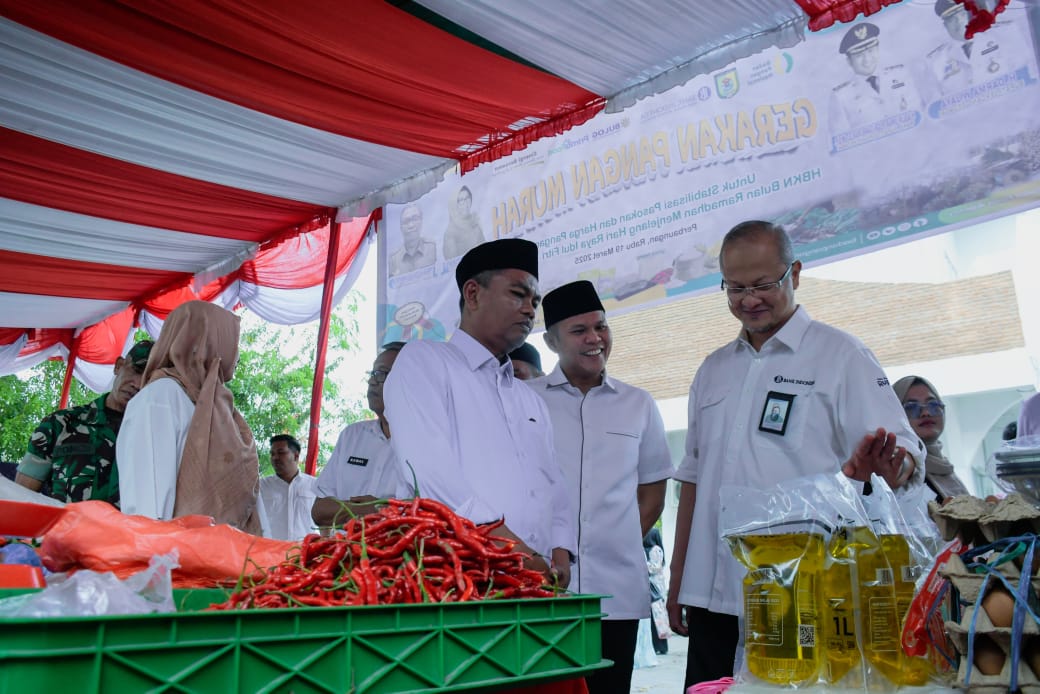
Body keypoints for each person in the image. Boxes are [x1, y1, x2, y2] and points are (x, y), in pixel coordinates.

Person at [667, 220, 926, 688]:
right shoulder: (712, 370)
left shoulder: (841, 355)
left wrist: (894, 467)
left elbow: (904, 450)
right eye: (735, 288)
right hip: (713, 593)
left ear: (796, 274)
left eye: (764, 284)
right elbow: (693, 479)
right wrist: (678, 578)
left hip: (801, 594)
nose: (749, 300)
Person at [383, 238, 575, 587]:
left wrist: (560, 549)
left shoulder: (529, 399)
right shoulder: (424, 362)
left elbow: (553, 485)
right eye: (518, 294)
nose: (530, 310)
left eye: (535, 301)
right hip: (455, 582)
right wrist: (514, 552)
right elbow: (431, 479)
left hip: (537, 584)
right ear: (472, 294)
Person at [527, 279, 671, 694]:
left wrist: (615, 538)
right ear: (552, 341)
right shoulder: (526, 400)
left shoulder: (638, 404)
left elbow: (653, 492)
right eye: (579, 331)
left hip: (616, 591)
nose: (595, 339)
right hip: (542, 590)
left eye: (601, 327)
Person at [116, 301, 261, 533]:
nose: (236, 353)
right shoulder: (160, 398)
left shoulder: (219, 409)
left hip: (227, 560)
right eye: (230, 340)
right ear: (205, 342)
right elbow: (147, 508)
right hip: (175, 560)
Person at [15, 339, 154, 506]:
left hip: (124, 532)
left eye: (149, 379)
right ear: (119, 366)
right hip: (64, 530)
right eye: (136, 370)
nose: (138, 384)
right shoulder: (61, 424)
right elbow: (22, 497)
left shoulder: (153, 437)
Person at [312, 342, 406, 531]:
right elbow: (319, 511)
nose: (372, 382)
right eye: (372, 374)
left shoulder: (431, 443)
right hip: (345, 556)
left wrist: (380, 509)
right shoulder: (351, 436)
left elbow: (433, 512)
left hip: (402, 557)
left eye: (381, 374)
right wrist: (366, 509)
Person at [829, 22, 922, 132]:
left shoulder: (901, 74)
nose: (867, 59)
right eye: (859, 55)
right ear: (849, 61)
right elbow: (840, 139)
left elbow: (919, 112)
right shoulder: (841, 96)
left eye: (870, 51)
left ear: (877, 50)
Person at [925, 0, 1029, 97]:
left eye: (962, 12)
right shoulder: (937, 61)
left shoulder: (1006, 36)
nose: (958, 20)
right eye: (950, 17)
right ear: (945, 25)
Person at [892, 375, 970, 502]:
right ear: (895, 415)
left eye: (933, 404)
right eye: (911, 408)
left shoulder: (943, 466)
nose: (926, 413)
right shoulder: (896, 467)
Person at [258, 435, 317, 540]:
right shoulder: (261, 486)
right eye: (272, 454)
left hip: (306, 550)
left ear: (296, 456)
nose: (275, 458)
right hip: (271, 551)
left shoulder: (315, 485)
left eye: (281, 452)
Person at [389, 203, 436, 276]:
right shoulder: (394, 259)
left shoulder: (433, 248)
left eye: (415, 219)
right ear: (401, 227)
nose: (411, 225)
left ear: (421, 221)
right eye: (406, 221)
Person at [443, 185, 487, 259]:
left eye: (467, 198)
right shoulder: (450, 232)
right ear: (454, 205)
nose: (465, 203)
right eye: (460, 200)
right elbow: (451, 261)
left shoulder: (475, 222)